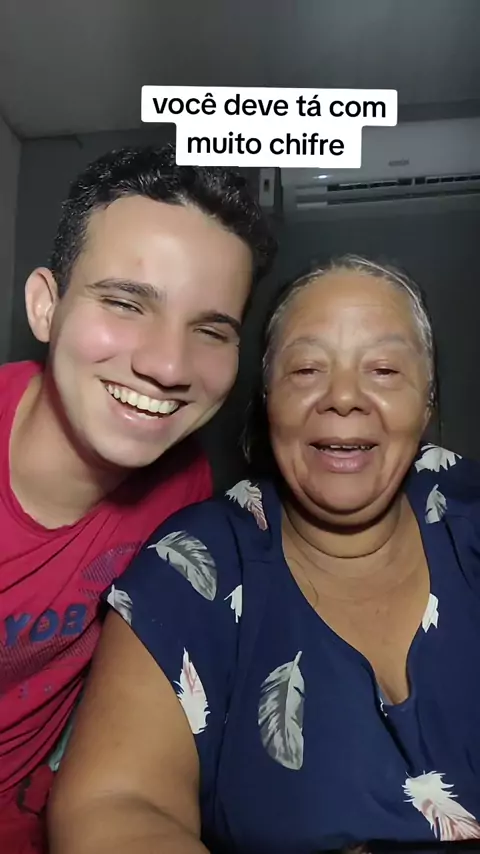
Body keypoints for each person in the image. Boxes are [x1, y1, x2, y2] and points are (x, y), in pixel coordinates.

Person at [48, 255, 480, 854]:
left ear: (426, 404)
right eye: (306, 370)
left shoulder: (467, 517)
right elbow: (115, 807)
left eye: (383, 369)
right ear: (268, 399)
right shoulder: (192, 567)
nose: (343, 397)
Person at [0, 143, 276, 853]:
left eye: (210, 330)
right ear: (46, 306)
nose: (167, 365)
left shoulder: (183, 489)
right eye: (126, 303)